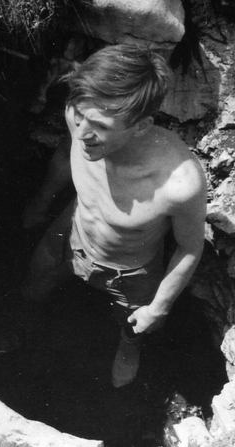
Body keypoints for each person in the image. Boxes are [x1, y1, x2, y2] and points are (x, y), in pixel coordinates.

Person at [20, 43, 207, 388]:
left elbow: (190, 248)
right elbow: (65, 154)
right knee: (33, 286)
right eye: (80, 117)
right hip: (71, 232)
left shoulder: (177, 183)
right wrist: (41, 202)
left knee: (138, 327)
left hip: (130, 270)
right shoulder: (79, 118)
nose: (82, 133)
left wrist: (158, 307)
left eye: (100, 126)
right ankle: (21, 329)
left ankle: (128, 349)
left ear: (141, 126)